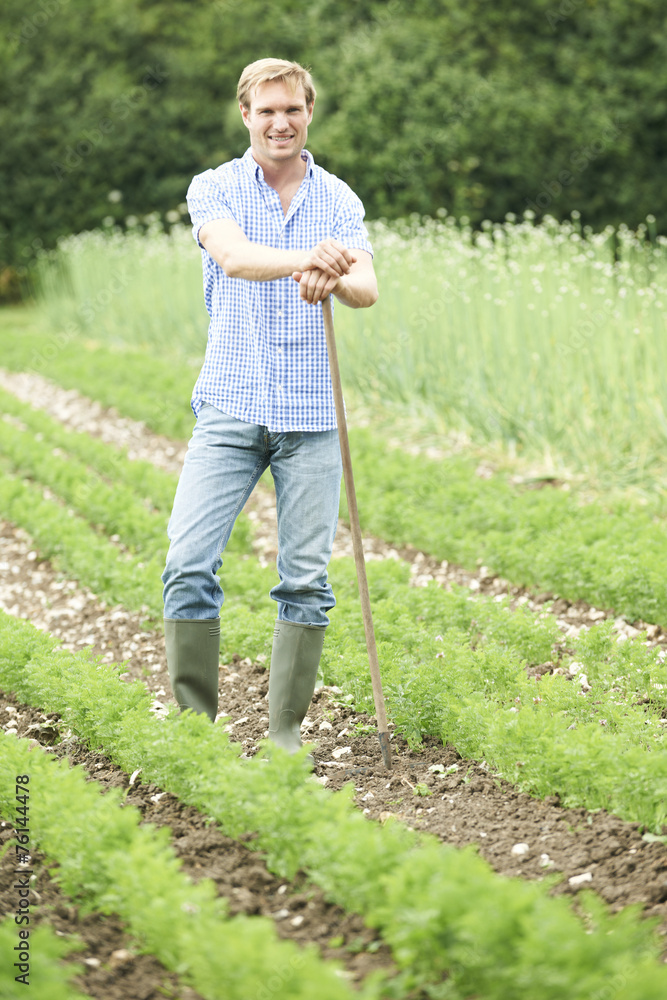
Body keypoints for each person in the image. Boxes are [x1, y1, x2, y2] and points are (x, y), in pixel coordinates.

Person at [161, 58, 378, 755]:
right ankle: (197, 728)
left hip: (313, 417)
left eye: (292, 109)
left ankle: (283, 734)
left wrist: (335, 280)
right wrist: (304, 262)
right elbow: (233, 257)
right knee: (188, 564)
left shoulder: (339, 198)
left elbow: (366, 286)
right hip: (231, 405)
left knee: (305, 581)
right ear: (246, 115)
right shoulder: (214, 187)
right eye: (266, 111)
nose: (279, 122)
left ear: (308, 112)